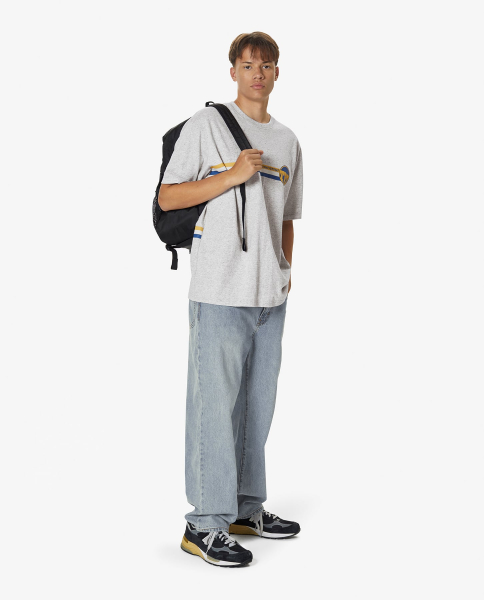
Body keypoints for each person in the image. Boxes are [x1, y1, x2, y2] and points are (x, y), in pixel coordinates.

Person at [158, 31, 304, 568]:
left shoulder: (287, 140)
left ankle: (245, 508)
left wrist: (286, 270)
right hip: (220, 291)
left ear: (277, 72)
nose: (257, 74)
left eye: (266, 65)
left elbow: (286, 216)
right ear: (233, 72)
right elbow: (168, 197)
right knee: (214, 410)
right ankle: (204, 524)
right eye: (247, 65)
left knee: (256, 410)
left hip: (270, 297)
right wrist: (232, 176)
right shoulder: (206, 126)